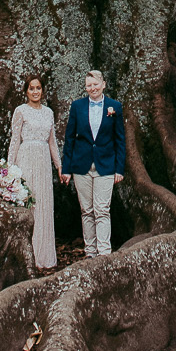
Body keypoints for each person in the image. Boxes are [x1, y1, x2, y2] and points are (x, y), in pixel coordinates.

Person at [58, 69, 125, 257]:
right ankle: (90, 252)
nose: (92, 88)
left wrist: (119, 168)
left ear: (103, 84)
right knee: (86, 210)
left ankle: (104, 252)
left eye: (96, 84)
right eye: (89, 85)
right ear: (85, 87)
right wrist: (66, 168)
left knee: (102, 209)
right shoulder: (77, 106)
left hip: (106, 166)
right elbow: (69, 138)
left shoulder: (114, 107)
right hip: (81, 166)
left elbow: (120, 140)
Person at [8, 75, 63, 270]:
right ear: (26, 91)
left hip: (43, 160)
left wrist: (59, 165)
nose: (35, 91)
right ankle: (27, 254)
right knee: (29, 202)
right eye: (31, 88)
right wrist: (9, 169)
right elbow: (15, 140)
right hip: (26, 158)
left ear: (42, 90)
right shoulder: (20, 111)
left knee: (44, 205)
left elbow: (52, 142)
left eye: (38, 88)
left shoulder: (48, 113)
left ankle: (44, 256)